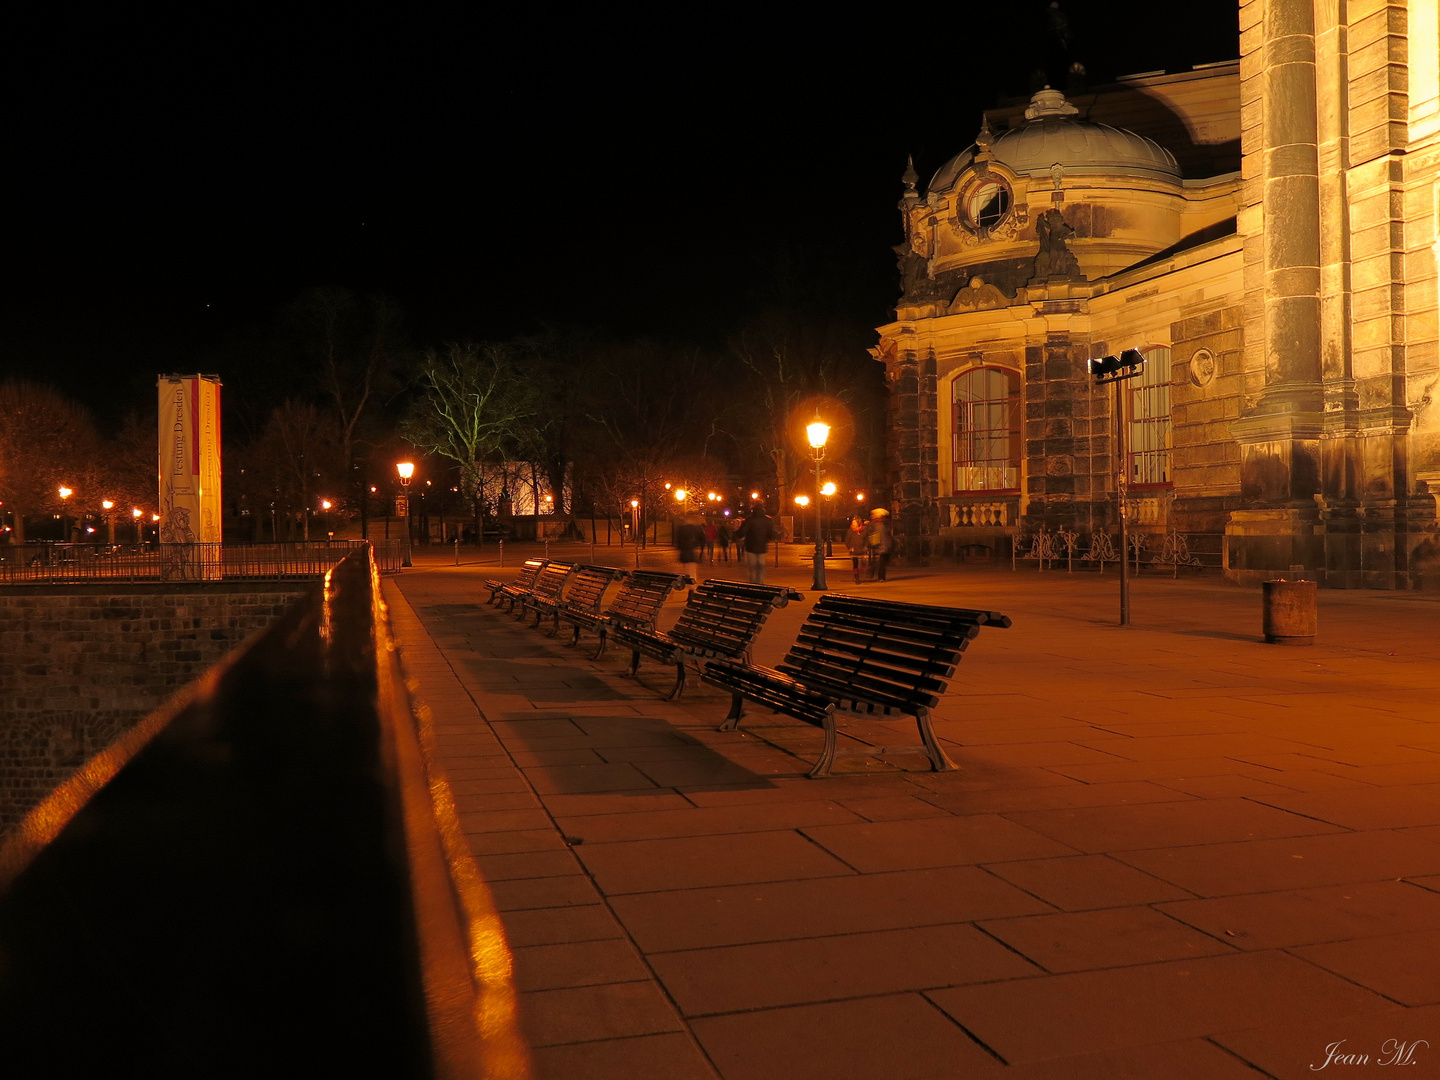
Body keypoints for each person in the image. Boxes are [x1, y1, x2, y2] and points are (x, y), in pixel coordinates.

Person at [734, 504, 777, 585]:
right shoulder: (768, 520)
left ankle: (753, 585)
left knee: (753, 568)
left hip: (751, 547)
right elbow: (772, 534)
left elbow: (742, 533)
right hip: (762, 547)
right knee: (761, 568)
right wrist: (767, 539)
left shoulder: (749, 520)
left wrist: (736, 531)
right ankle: (760, 583)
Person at [675, 512, 705, 589]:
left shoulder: (681, 528)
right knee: (691, 572)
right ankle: (691, 590)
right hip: (690, 553)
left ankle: (690, 589)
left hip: (684, 553)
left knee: (688, 572)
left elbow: (678, 543)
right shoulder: (694, 528)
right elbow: (702, 538)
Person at [866, 507, 894, 582]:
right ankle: (881, 577)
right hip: (880, 547)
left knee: (883, 562)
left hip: (884, 546)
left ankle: (879, 576)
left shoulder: (884, 525)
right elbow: (874, 536)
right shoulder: (876, 525)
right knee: (881, 563)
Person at [844, 515, 868, 584]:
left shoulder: (864, 530)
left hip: (862, 550)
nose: (853, 523)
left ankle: (863, 570)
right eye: (852, 522)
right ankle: (857, 578)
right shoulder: (850, 531)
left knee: (863, 562)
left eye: (855, 522)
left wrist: (866, 546)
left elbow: (867, 539)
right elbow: (847, 540)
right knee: (855, 564)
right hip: (854, 551)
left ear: (858, 523)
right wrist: (850, 547)